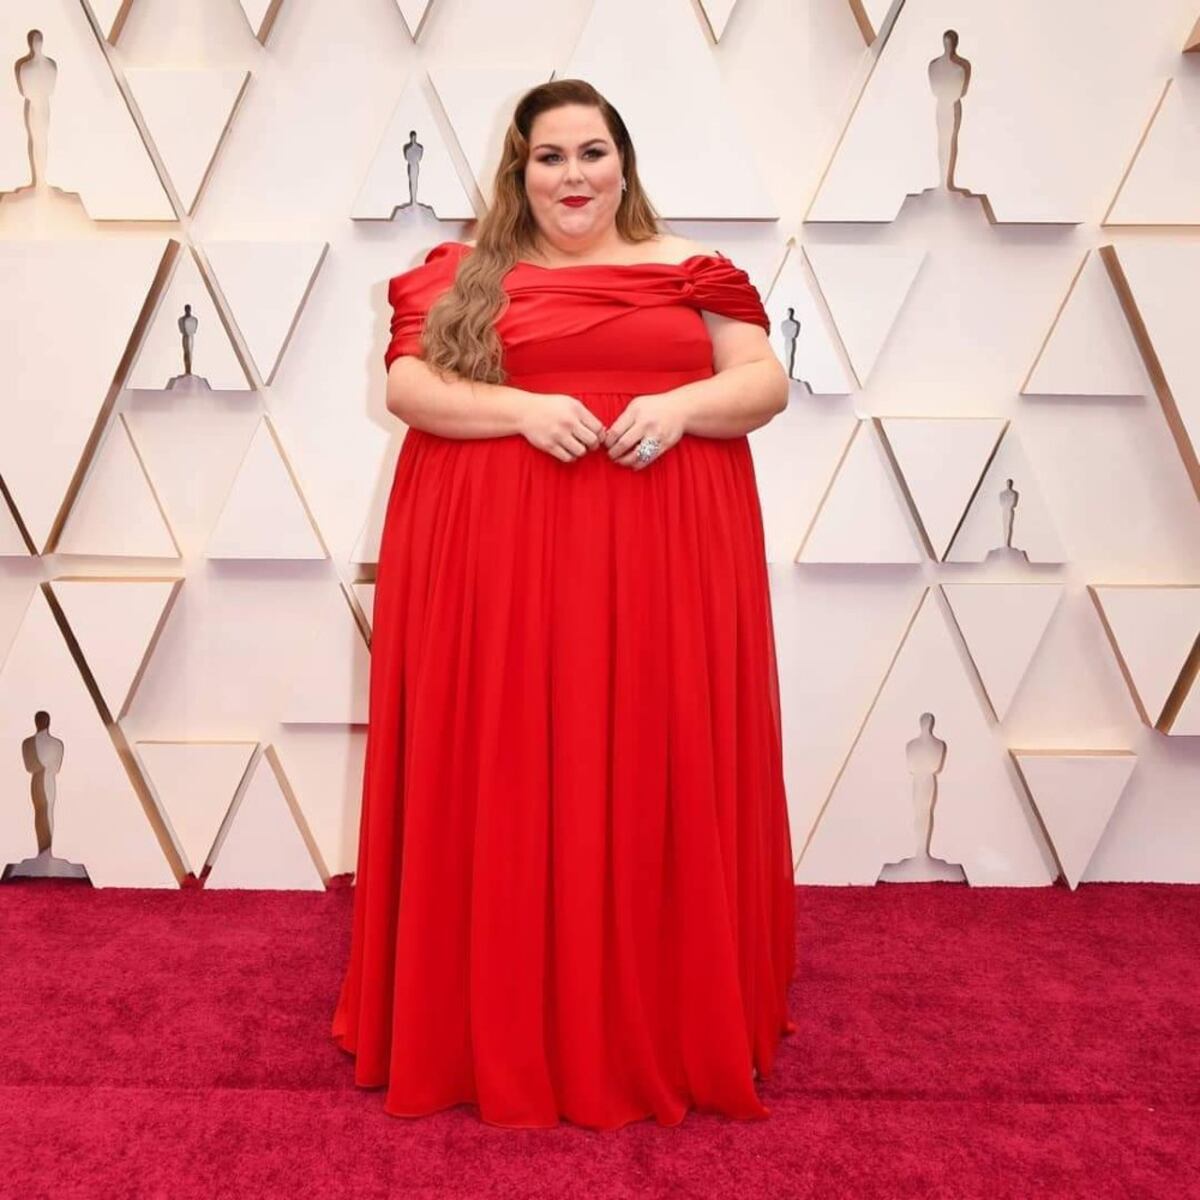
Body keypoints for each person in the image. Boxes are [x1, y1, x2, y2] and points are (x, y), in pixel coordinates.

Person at [331, 78, 796, 1131]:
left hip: (660, 566)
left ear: (623, 164)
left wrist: (679, 407)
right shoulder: (461, 274)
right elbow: (410, 389)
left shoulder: (695, 270)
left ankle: (661, 1014)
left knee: (649, 762)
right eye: (550, 156)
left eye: (592, 153)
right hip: (498, 573)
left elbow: (761, 384)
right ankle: (490, 1016)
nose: (573, 175)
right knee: (503, 765)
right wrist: (523, 410)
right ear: (520, 169)